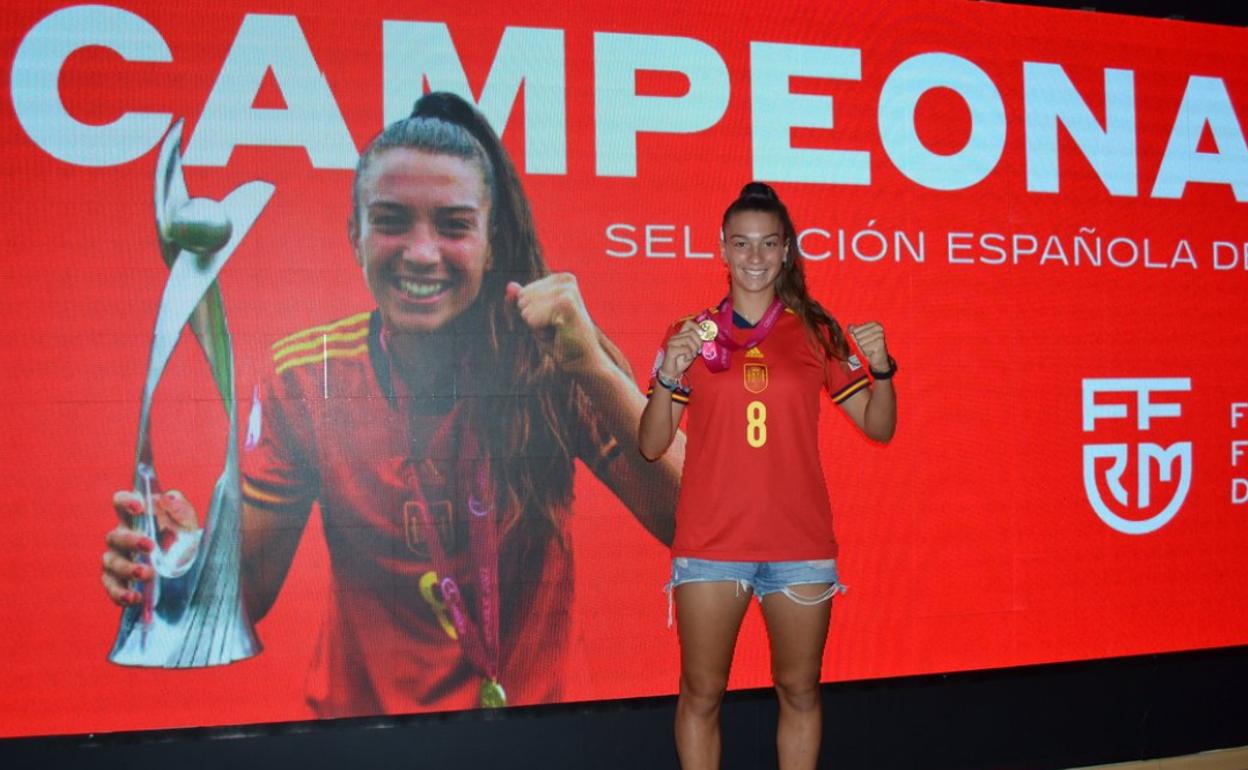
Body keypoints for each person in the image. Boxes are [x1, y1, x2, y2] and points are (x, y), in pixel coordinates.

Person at [102, 92, 682, 716]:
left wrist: (592, 366)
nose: (422, 252)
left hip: (526, 741)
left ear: (491, 243)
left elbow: (700, 524)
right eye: (392, 221)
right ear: (354, 235)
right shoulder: (309, 376)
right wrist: (188, 564)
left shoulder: (551, 357)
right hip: (362, 743)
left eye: (455, 225)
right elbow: (247, 594)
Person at [638, 182, 897, 770]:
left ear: (786, 251)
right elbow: (651, 445)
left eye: (768, 244)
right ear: (721, 249)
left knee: (800, 691)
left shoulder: (817, 329)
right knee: (702, 694)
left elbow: (879, 428)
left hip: (799, 545)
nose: (754, 258)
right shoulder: (692, 333)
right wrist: (668, 376)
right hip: (711, 544)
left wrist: (882, 371)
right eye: (742, 244)